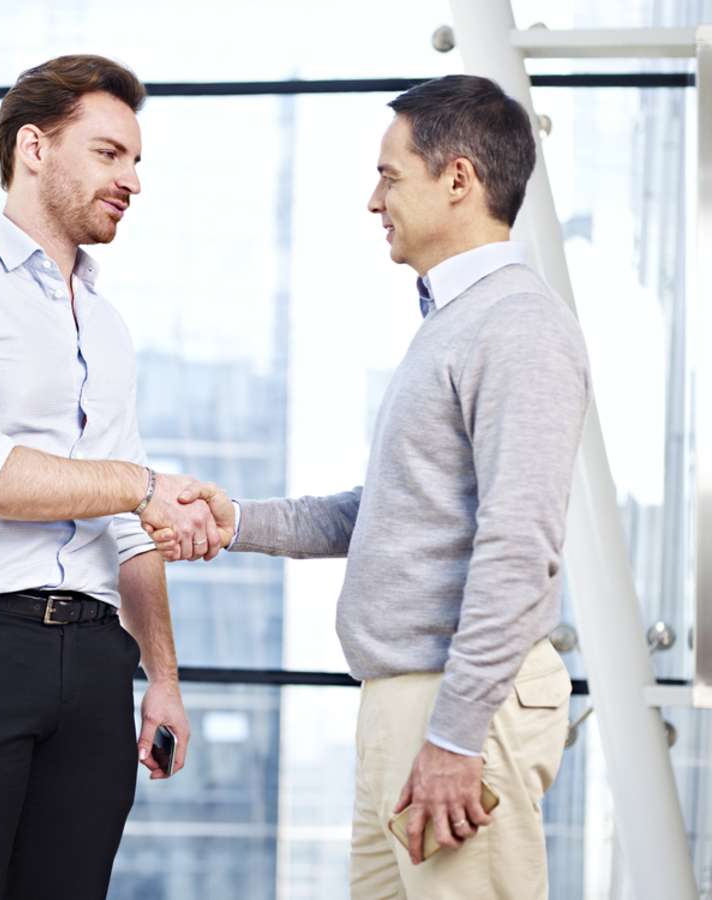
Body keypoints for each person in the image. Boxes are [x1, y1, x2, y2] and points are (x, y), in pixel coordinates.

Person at [154, 75, 590, 899]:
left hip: (462, 709)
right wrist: (235, 520)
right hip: (410, 704)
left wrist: (457, 739)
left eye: (389, 176)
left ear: (457, 179)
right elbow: (383, 513)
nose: (371, 200)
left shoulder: (519, 328)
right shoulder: (453, 324)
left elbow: (517, 545)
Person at [0, 54, 221, 900]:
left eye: (136, 161)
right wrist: (138, 485)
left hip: (95, 661)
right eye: (110, 154)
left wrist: (162, 681)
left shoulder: (106, 328)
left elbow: (129, 523)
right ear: (34, 147)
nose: (132, 180)